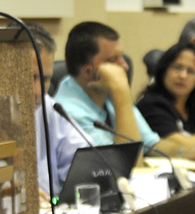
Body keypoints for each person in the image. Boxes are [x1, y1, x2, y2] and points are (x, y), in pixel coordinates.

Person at [53, 21, 170, 157]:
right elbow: (127, 163)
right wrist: (121, 92)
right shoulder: (68, 113)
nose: (125, 66)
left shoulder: (107, 93)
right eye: (114, 60)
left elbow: (152, 145)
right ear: (88, 72)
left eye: (122, 56)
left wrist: (193, 151)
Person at [13, 22, 91, 199]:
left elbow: (87, 161)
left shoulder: (48, 107)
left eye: (45, 79)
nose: (37, 90)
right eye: (30, 77)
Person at [136, 43, 195, 159]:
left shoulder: (193, 105)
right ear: (164, 69)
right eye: (177, 67)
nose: (182, 76)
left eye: (191, 71)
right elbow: (180, 143)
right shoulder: (151, 104)